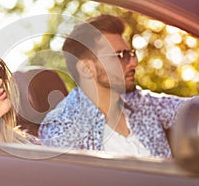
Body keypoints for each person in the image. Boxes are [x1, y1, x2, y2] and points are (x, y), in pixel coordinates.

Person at [38, 14, 189, 158]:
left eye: (131, 54)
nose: (133, 63)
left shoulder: (140, 102)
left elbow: (191, 109)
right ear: (87, 69)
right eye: (121, 56)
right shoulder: (62, 130)